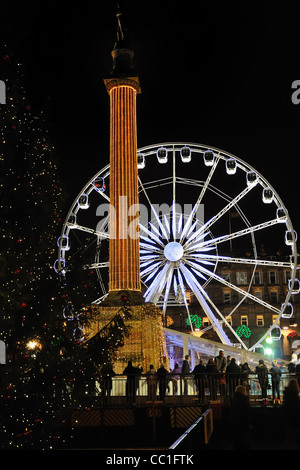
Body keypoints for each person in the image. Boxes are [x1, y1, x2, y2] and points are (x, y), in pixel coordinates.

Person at [230, 385, 252, 449]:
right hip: (243, 421)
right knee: (244, 437)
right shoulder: (243, 399)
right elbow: (247, 409)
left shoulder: (234, 399)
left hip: (235, 421)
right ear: (242, 392)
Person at [282, 379, 300, 448]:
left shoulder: (287, 395)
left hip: (288, 416)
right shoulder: (296, 396)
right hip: (295, 418)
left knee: (289, 435)